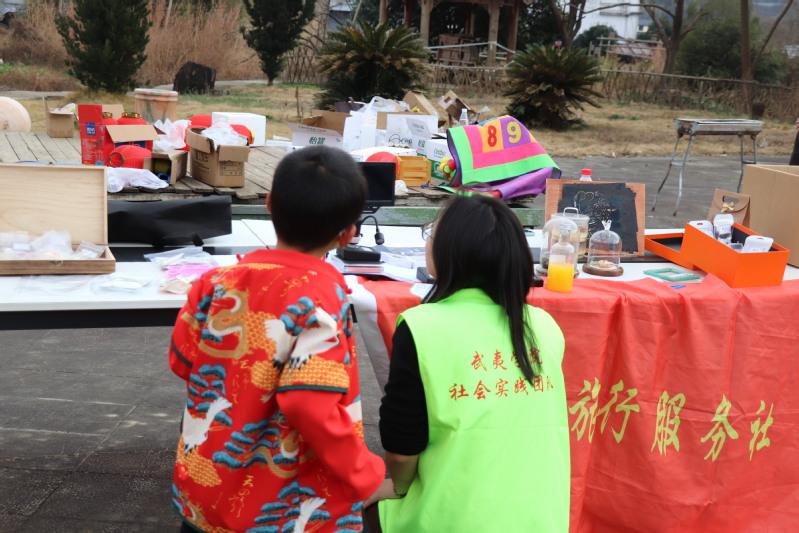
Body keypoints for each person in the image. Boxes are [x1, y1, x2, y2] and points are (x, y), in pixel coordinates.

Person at [168, 145, 387, 533]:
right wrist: (364, 471)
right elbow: (309, 403)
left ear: (269, 203)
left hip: (207, 497)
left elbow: (182, 361)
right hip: (285, 511)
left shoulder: (213, 283)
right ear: (348, 234)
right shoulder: (322, 301)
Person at [369, 194, 570, 532]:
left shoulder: (422, 326)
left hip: (451, 521)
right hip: (543, 521)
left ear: (451, 252)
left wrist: (398, 488)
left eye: (432, 233)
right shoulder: (544, 326)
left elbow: (401, 450)